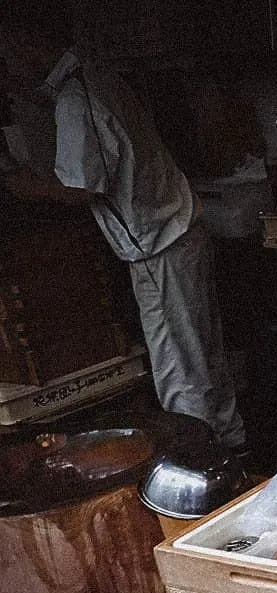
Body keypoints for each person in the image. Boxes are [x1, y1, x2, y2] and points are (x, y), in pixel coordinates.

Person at [0, 10, 245, 450]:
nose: (6, 61)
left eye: (7, 49)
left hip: (159, 243)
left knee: (181, 373)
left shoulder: (77, 98)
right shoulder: (93, 77)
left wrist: (17, 185)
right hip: (174, 234)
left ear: (29, 41)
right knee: (204, 360)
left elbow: (79, 188)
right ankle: (230, 448)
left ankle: (203, 469)